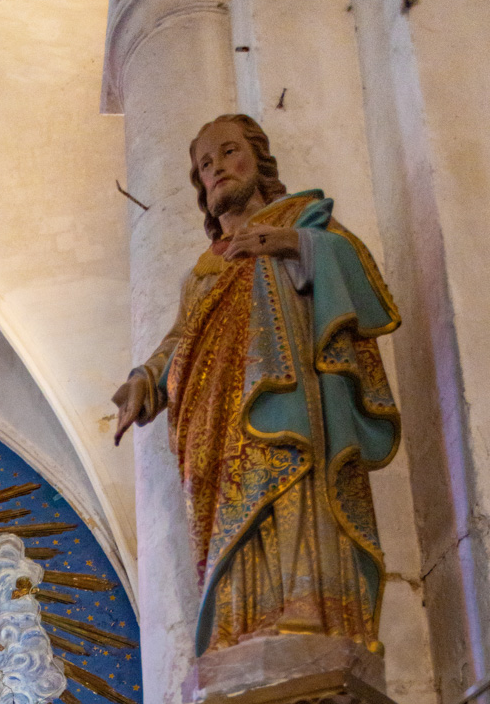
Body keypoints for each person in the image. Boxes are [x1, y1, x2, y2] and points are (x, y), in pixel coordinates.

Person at [112, 114, 400, 658]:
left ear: (259, 161)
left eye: (229, 152)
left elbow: (355, 273)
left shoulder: (303, 220)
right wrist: (143, 380)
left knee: (293, 483)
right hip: (216, 421)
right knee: (232, 513)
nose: (217, 168)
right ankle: (240, 629)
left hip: (287, 397)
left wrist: (286, 243)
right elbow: (181, 339)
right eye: (205, 164)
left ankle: (309, 610)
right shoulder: (204, 271)